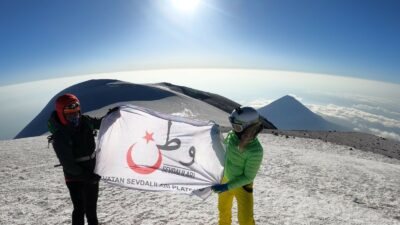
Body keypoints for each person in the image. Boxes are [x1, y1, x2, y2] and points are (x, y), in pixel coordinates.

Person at [47, 93, 103, 225]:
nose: (75, 116)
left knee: (91, 208)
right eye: (69, 113)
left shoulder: (85, 121)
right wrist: (87, 176)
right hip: (75, 178)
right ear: (61, 113)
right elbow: (68, 165)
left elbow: (101, 123)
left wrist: (113, 116)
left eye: (76, 112)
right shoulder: (60, 135)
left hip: (91, 172)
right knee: (80, 209)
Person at [212, 106, 264, 225]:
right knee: (223, 210)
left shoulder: (255, 151)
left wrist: (227, 186)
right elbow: (224, 149)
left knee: (245, 220)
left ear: (249, 128)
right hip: (225, 179)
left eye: (237, 127)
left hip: (242, 186)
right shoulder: (232, 135)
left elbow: (248, 177)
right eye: (233, 125)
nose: (233, 130)